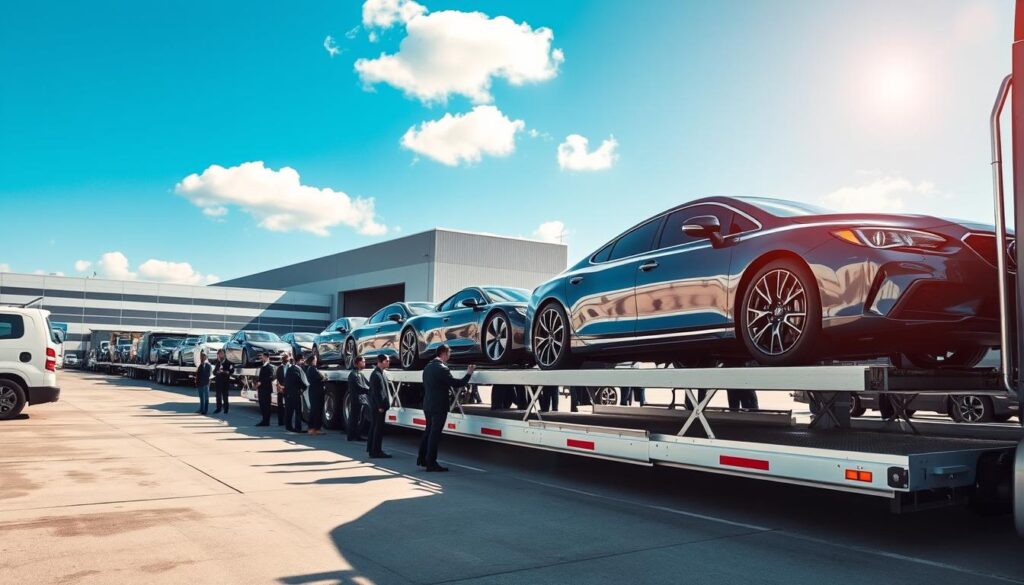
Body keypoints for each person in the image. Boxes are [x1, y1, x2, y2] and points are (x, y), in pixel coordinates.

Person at [419, 345, 475, 472]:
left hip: (427, 404)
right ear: (443, 353)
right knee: (435, 435)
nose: (450, 355)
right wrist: (468, 374)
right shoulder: (442, 368)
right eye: (449, 353)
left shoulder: (427, 367)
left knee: (428, 432)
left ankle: (422, 459)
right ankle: (431, 463)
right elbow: (456, 383)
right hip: (438, 406)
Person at [367, 355, 393, 458]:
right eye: (386, 361)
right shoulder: (376, 374)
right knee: (378, 429)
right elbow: (377, 393)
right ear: (380, 362)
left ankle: (371, 449)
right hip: (378, 407)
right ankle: (376, 451)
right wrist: (380, 406)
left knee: (375, 427)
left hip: (378, 406)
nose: (388, 363)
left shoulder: (380, 373)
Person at [283, 354, 309, 433]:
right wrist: (304, 387)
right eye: (302, 360)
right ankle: (298, 428)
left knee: (289, 411)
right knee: (298, 411)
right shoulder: (296, 369)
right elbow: (299, 380)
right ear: (299, 360)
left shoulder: (290, 369)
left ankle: (288, 426)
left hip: (288, 393)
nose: (303, 361)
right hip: (295, 393)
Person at [347, 355, 370, 441]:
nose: (364, 363)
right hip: (357, 399)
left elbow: (367, 384)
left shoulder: (359, 373)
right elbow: (359, 387)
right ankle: (353, 436)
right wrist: (369, 390)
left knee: (356, 418)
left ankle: (354, 435)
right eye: (363, 362)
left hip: (359, 399)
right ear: (357, 363)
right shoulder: (354, 374)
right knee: (355, 418)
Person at [305, 354, 326, 435]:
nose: (316, 360)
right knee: (316, 410)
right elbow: (321, 378)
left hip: (315, 391)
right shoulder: (313, 369)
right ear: (313, 360)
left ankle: (314, 428)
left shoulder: (312, 369)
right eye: (315, 359)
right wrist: (324, 378)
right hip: (316, 391)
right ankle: (313, 428)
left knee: (316, 410)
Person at [212, 349, 234, 414]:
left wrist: (225, 372)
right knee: (218, 396)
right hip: (218, 383)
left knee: (225, 396)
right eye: (219, 354)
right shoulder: (218, 363)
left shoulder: (228, 363)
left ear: (224, 354)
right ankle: (218, 408)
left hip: (225, 382)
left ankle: (226, 409)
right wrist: (217, 372)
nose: (220, 355)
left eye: (221, 354)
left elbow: (231, 371)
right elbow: (214, 372)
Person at [255, 352, 275, 426]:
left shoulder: (269, 367)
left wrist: (261, 382)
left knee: (266, 405)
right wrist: (258, 383)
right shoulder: (263, 366)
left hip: (266, 389)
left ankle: (266, 421)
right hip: (261, 389)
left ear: (266, 357)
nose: (261, 358)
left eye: (263, 357)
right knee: (262, 405)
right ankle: (264, 420)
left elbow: (271, 377)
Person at [274, 354, 289, 427]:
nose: (285, 360)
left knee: (288, 406)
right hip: (280, 389)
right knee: (280, 405)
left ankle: (287, 421)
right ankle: (280, 421)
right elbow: (277, 379)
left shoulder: (291, 367)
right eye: (283, 358)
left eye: (286, 358)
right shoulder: (279, 368)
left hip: (288, 389)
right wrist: (279, 387)